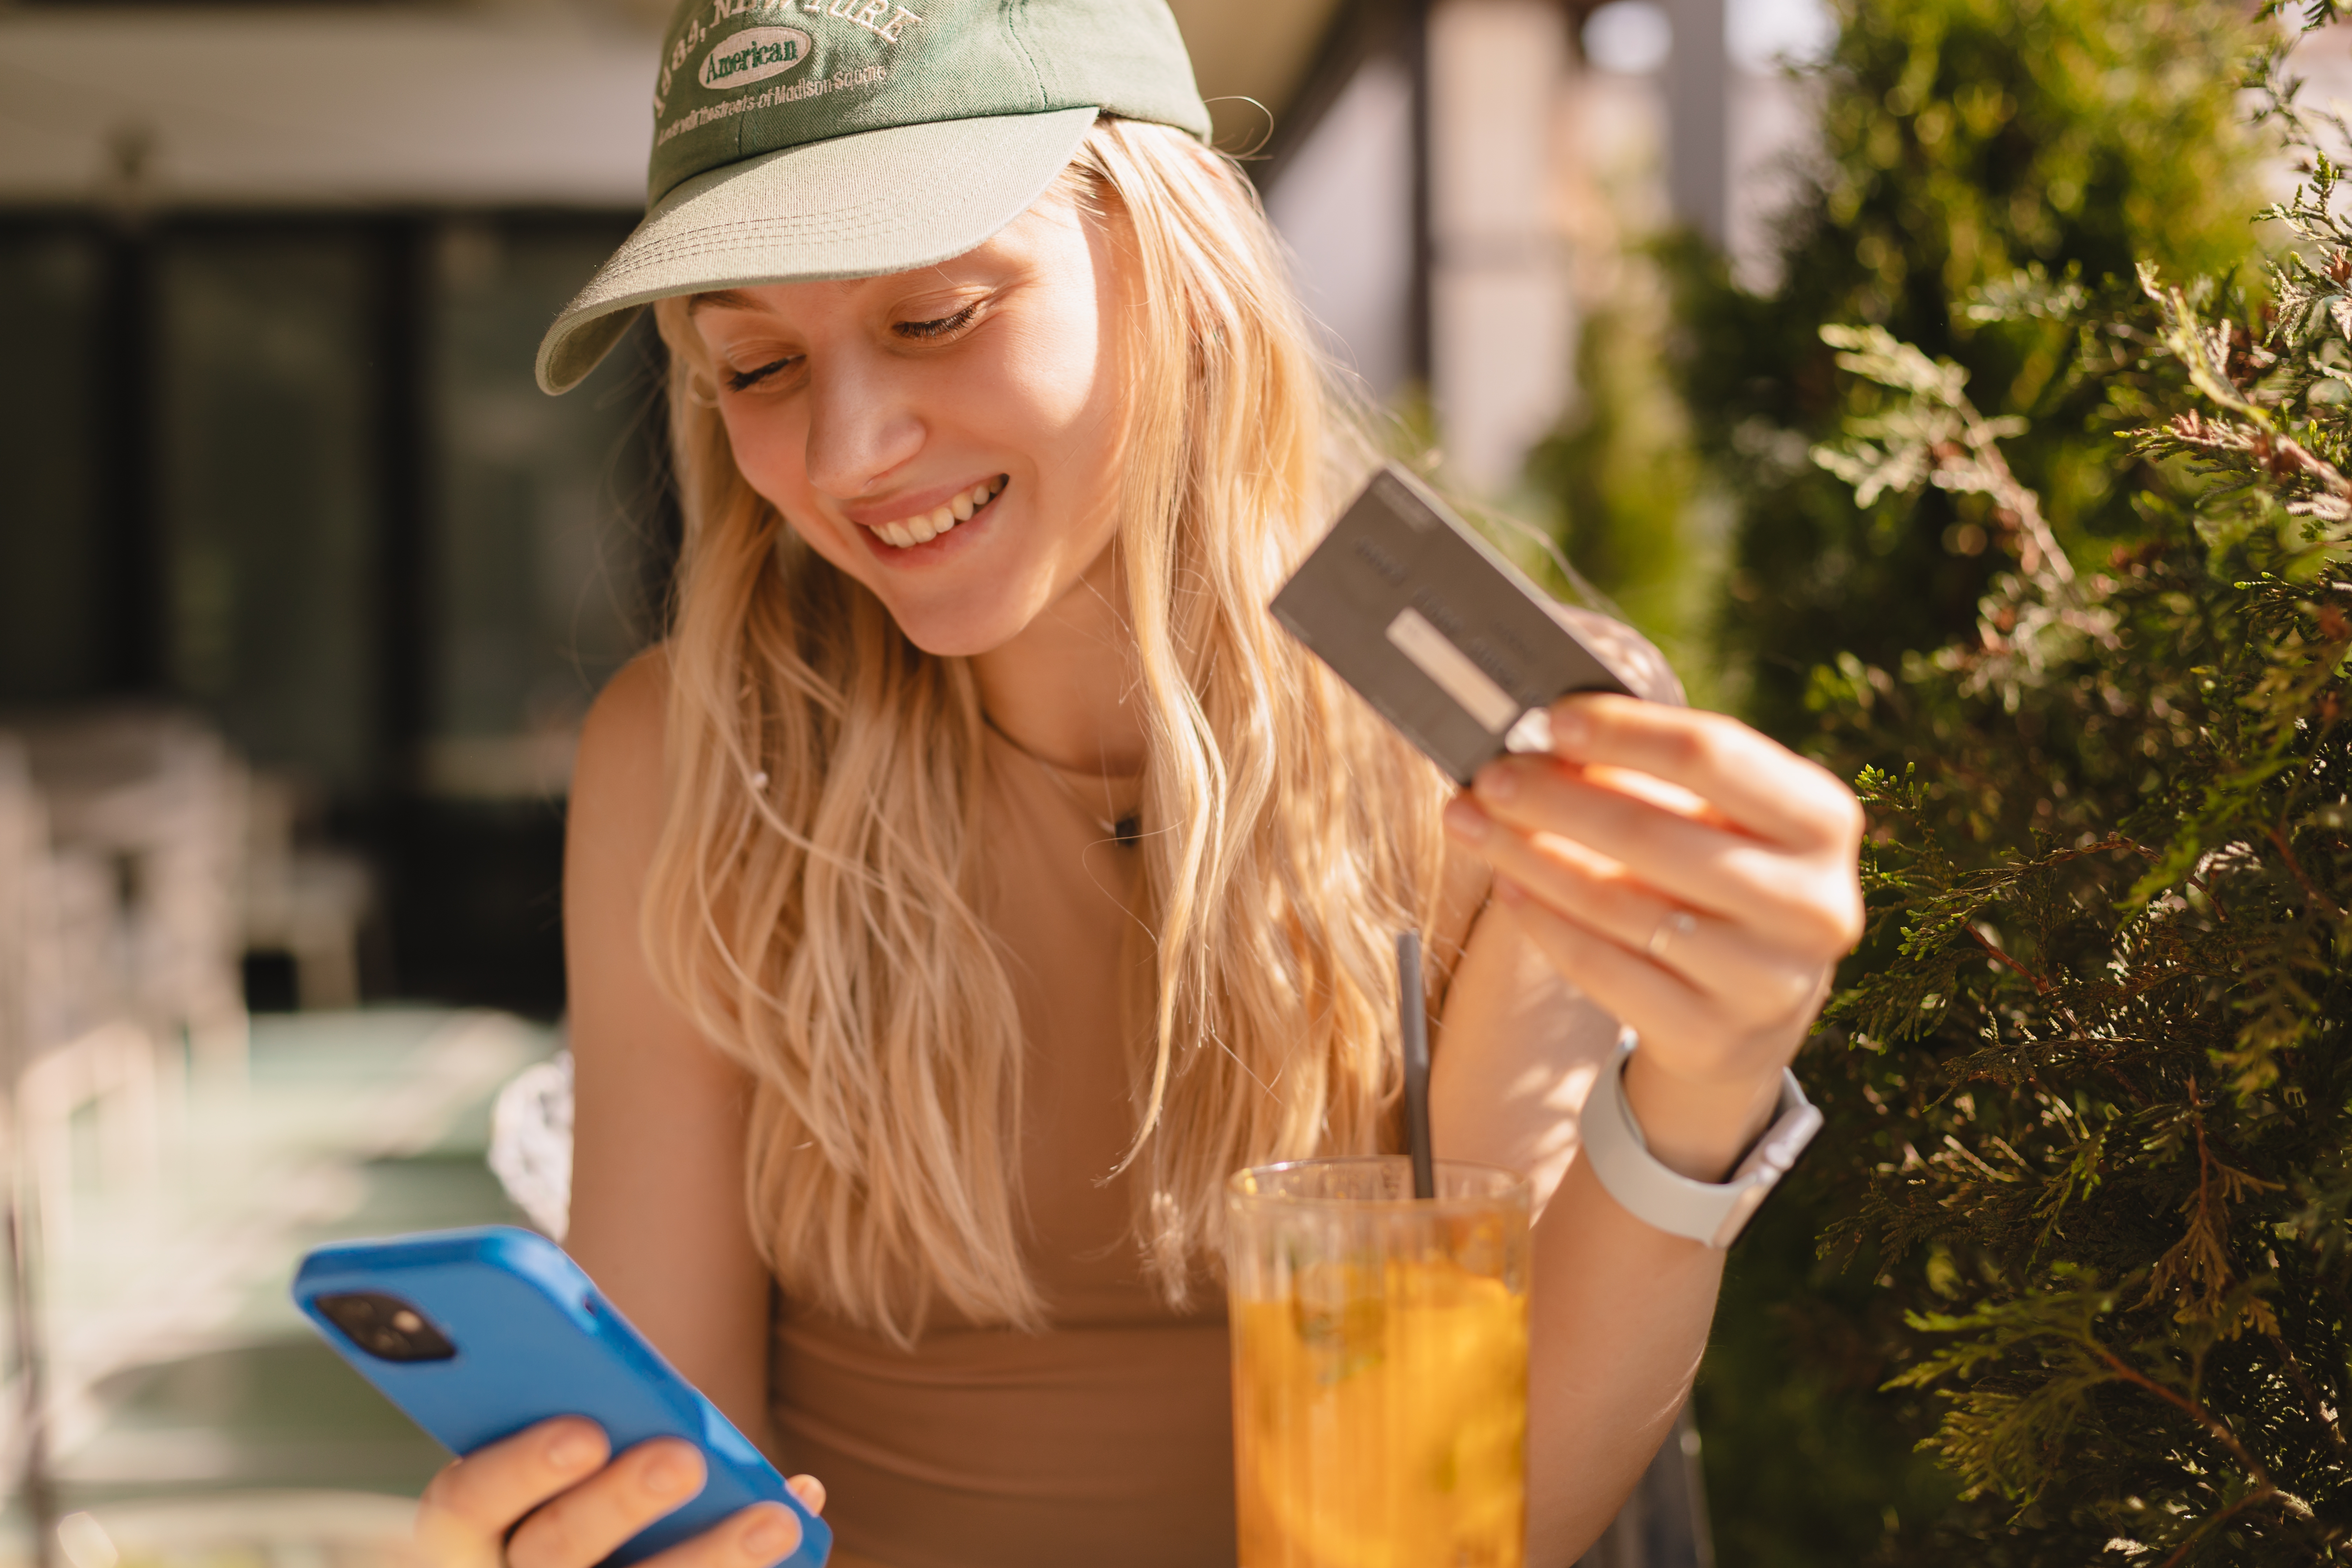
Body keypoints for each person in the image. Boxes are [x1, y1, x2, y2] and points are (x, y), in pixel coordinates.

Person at [419, 2, 1863, 1564]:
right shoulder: (698, 751)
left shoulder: (1491, 726)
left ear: (1168, 268)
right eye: (759, 362)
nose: (846, 452)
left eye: (936, 317)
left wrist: (1705, 1099)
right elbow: (683, 1476)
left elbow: (1478, 1524)